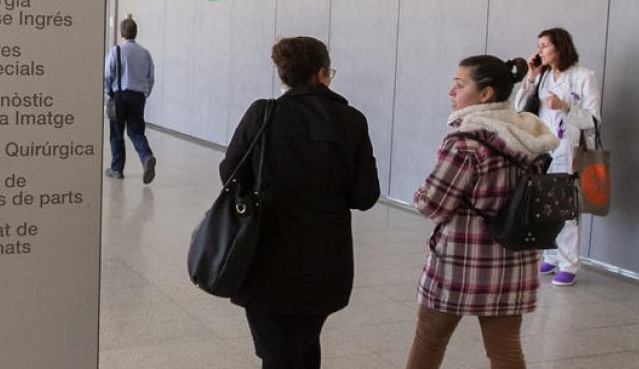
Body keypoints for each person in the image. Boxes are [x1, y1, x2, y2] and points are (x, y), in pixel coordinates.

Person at [221, 37, 380, 369]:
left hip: (264, 254)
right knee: (304, 344)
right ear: (322, 73)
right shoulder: (351, 120)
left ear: (283, 73)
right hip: (325, 261)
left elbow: (231, 174)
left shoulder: (263, 114)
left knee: (278, 351)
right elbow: (365, 196)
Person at [405, 55, 559, 369]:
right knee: (505, 351)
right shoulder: (526, 136)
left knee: (429, 342)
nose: (451, 92)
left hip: (461, 263)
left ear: (486, 94)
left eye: (459, 85)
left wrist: (419, 193)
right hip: (513, 261)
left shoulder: (466, 143)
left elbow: (432, 204)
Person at [514, 27, 600, 286]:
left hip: (569, 149)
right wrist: (531, 76)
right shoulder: (543, 77)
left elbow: (594, 120)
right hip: (543, 147)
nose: (539, 51)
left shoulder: (584, 76)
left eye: (544, 46)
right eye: (538, 45)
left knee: (566, 207)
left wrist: (565, 107)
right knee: (544, 204)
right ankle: (550, 254)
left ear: (559, 47)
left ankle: (569, 263)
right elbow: (520, 108)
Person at [103, 18, 157, 183]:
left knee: (117, 133)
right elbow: (151, 77)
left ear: (121, 34)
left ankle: (117, 169)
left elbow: (107, 74)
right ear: (136, 32)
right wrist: (145, 94)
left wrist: (107, 92)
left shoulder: (116, 51)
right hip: (138, 97)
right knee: (136, 131)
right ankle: (146, 156)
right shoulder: (145, 53)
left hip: (119, 97)